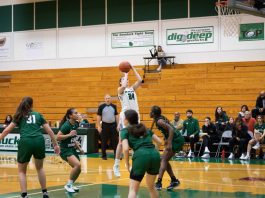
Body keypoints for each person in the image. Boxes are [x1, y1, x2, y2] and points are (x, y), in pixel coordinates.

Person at [0, 97, 60, 198]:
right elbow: (50, 131)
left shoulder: (19, 115)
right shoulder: (38, 115)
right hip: (39, 141)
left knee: (22, 171)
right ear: (32, 105)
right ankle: (45, 192)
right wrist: (55, 144)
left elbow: (6, 130)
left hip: (26, 141)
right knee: (40, 168)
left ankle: (24, 195)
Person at [121, 109, 161, 198]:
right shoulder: (145, 128)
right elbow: (159, 141)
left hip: (141, 156)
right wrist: (155, 152)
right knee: (151, 187)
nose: (123, 119)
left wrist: (127, 164)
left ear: (127, 119)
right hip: (155, 155)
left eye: (124, 118)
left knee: (133, 189)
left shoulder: (124, 131)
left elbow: (126, 149)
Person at [113, 65, 142, 177]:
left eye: (128, 80)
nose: (127, 81)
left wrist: (133, 68)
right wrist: (125, 72)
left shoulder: (132, 89)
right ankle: (116, 165)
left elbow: (139, 80)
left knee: (136, 140)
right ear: (120, 83)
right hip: (125, 117)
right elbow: (124, 85)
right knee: (121, 142)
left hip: (136, 116)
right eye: (124, 80)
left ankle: (134, 164)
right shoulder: (120, 90)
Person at [150, 106, 184, 190]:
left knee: (163, 160)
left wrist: (169, 142)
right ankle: (174, 180)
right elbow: (166, 130)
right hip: (175, 139)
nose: (149, 113)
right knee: (165, 159)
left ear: (154, 113)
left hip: (176, 140)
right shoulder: (157, 119)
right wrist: (166, 139)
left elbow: (171, 129)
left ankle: (159, 183)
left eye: (151, 111)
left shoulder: (160, 121)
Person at [57, 108, 84, 193]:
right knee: (77, 165)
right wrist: (69, 134)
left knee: (78, 169)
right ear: (70, 116)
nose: (77, 114)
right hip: (65, 150)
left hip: (72, 149)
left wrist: (79, 148)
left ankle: (71, 184)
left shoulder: (75, 124)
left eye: (77, 113)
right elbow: (57, 137)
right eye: (75, 113)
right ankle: (68, 185)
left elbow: (73, 138)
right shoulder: (66, 125)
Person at [97, 94, 119, 160]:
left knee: (115, 141)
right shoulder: (101, 107)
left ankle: (116, 155)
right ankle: (104, 155)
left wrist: (118, 125)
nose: (108, 99)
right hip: (104, 125)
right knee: (104, 141)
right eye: (106, 98)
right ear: (104, 99)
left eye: (109, 98)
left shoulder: (114, 106)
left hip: (113, 125)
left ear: (111, 99)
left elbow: (116, 116)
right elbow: (99, 116)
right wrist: (98, 126)